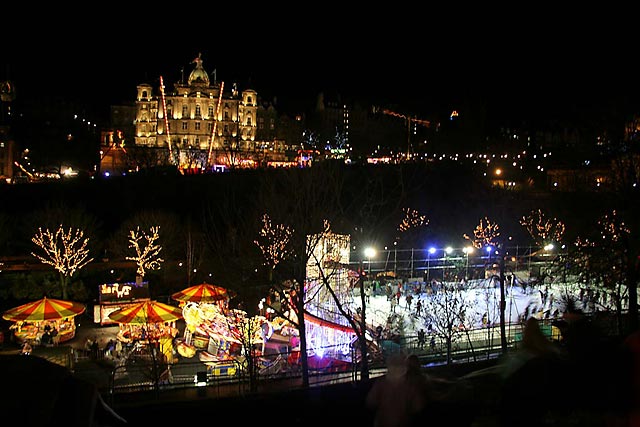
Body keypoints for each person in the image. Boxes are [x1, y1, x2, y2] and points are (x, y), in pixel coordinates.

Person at [366, 353, 425, 427]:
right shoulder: (410, 384)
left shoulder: (381, 382)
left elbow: (370, 402)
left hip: (383, 422)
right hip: (403, 422)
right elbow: (418, 406)